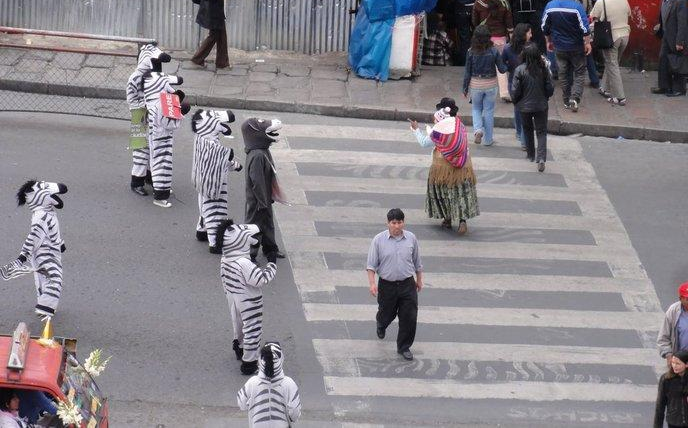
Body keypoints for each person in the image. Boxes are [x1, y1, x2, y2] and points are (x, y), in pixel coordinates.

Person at [214, 220, 277, 375]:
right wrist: (272, 264)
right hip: (249, 300)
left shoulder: (225, 259)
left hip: (233, 297)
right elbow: (260, 280)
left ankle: (240, 347)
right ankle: (249, 361)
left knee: (239, 324)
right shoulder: (243, 263)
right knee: (252, 328)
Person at [410, 98, 479, 234]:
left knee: (444, 191)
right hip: (463, 165)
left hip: (443, 167)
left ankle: (447, 219)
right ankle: (462, 221)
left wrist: (416, 129)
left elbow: (424, 143)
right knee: (460, 192)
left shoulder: (438, 130)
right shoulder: (459, 125)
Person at [367, 208, 423, 361]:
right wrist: (372, 284)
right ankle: (381, 323)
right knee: (387, 313)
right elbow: (371, 265)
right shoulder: (378, 240)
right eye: (394, 223)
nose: (397, 226)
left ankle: (404, 347)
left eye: (399, 222)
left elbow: (417, 262)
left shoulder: (411, 238)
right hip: (387, 285)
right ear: (388, 223)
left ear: (403, 223)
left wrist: (419, 280)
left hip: (407, 284)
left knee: (409, 316)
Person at [242, 117, 286, 262]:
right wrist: (262, 201)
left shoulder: (262, 151)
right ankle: (249, 254)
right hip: (258, 200)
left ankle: (270, 249)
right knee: (254, 227)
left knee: (267, 223)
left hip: (265, 198)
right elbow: (257, 182)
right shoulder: (258, 156)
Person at [542, 0, 592, 112]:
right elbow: (585, 28)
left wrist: (548, 41)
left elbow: (544, 27)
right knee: (579, 72)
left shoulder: (550, 6)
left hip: (559, 46)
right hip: (576, 46)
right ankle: (575, 98)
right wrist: (587, 43)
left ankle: (566, 99)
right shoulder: (577, 7)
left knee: (562, 73)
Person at [511, 43, 554, 172]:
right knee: (541, 132)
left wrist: (516, 102)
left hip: (524, 107)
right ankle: (541, 158)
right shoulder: (544, 69)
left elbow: (515, 91)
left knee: (527, 129)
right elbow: (550, 88)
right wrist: (546, 97)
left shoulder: (519, 70)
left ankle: (531, 154)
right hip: (541, 105)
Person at [237, 342, 301, 427]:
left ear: (261, 360)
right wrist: (291, 418)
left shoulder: (252, 382)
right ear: (281, 359)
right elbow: (295, 411)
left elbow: (242, 404)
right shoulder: (289, 383)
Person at [463, 25, 508, 146]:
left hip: (476, 84)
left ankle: (478, 130)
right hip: (491, 85)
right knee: (489, 111)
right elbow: (502, 69)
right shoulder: (494, 51)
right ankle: (488, 140)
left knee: (476, 109)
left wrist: (465, 88)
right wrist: (508, 62)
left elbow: (467, 71)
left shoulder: (470, 51)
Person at [590, 0, 631, 105]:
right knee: (613, 63)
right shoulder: (624, 1)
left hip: (610, 37)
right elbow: (629, 14)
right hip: (625, 36)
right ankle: (604, 88)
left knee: (612, 65)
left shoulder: (601, 2)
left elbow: (593, 17)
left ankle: (620, 97)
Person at [472, 0, 514, 101]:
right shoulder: (504, 3)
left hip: (484, 39)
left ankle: (481, 91)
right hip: (500, 38)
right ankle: (504, 92)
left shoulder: (478, 3)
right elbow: (508, 21)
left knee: (482, 64)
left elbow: (474, 22)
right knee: (500, 66)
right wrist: (511, 35)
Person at [502, 23, 532, 148]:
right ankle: (524, 137)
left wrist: (509, 68)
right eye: (529, 32)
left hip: (513, 81)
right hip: (528, 82)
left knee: (517, 108)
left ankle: (519, 132)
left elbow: (502, 63)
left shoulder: (508, 48)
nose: (531, 35)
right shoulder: (530, 48)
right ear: (523, 34)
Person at [650, 0, 688, 97]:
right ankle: (664, 86)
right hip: (666, 36)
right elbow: (664, 17)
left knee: (677, 62)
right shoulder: (664, 1)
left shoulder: (681, 2)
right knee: (663, 59)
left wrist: (680, 41)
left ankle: (679, 89)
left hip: (676, 37)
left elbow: (683, 22)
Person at [654, 349, 688, 428]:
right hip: (674, 421)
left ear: (686, 364)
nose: (674, 366)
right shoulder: (666, 379)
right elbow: (660, 405)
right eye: (673, 362)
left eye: (678, 363)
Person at [190, 0, 230, 69]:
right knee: (215, 34)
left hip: (212, 6)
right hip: (213, 7)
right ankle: (197, 59)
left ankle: (222, 62)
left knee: (221, 33)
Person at [658, 282, 688, 368]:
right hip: (679, 361)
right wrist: (669, 355)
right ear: (680, 299)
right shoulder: (673, 311)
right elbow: (663, 338)